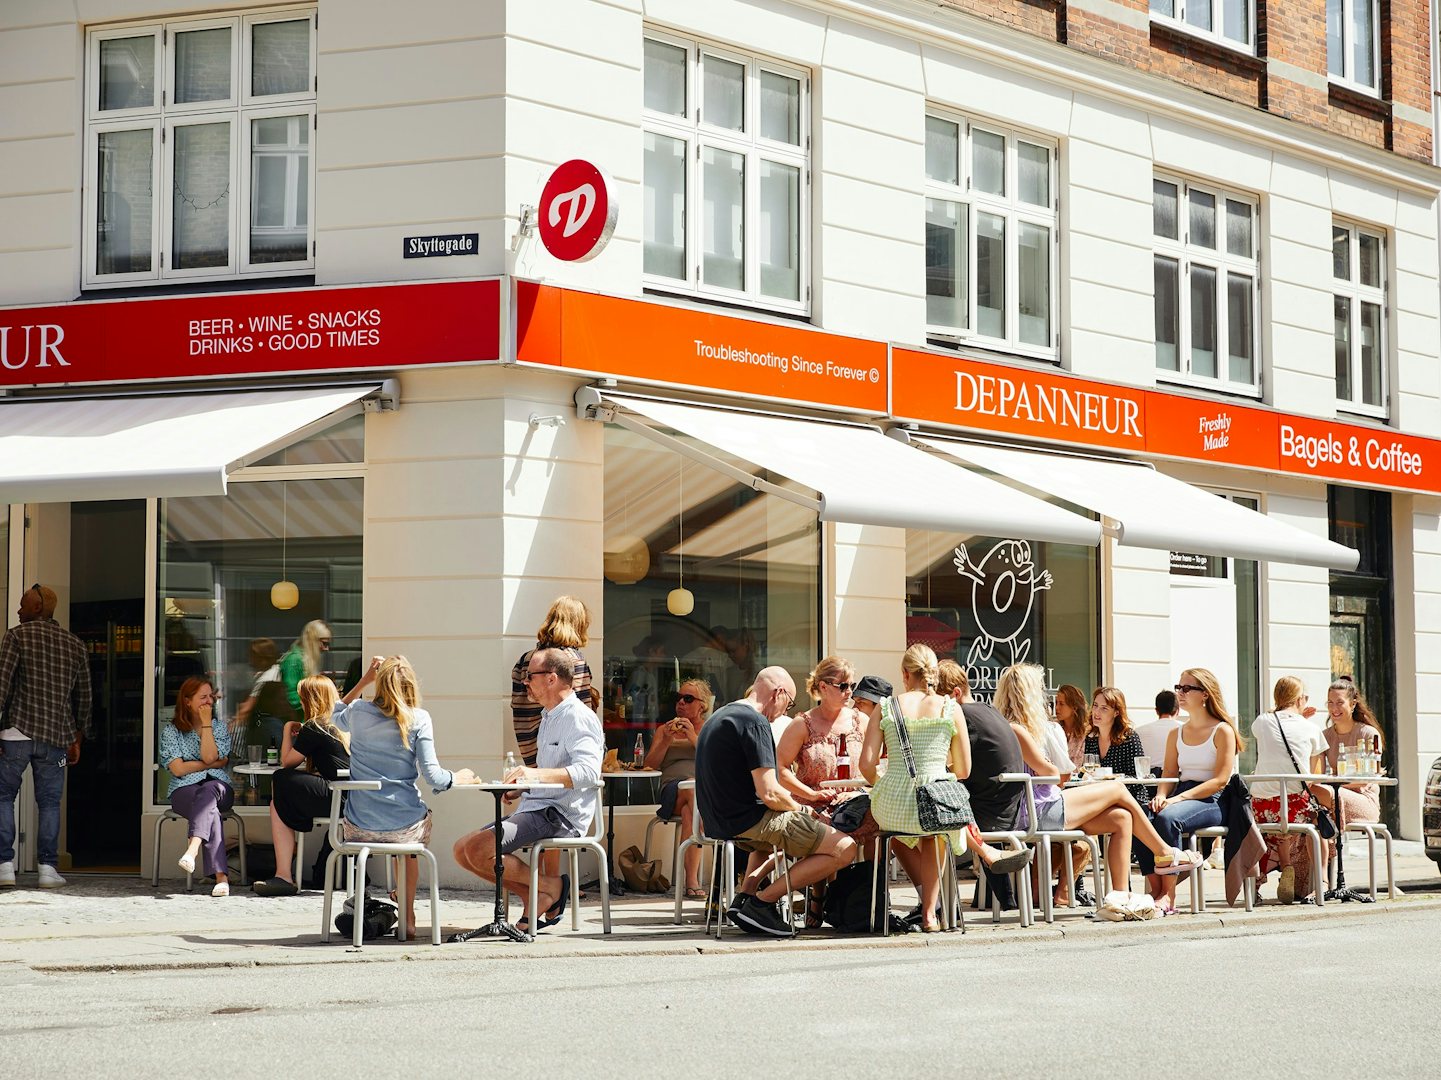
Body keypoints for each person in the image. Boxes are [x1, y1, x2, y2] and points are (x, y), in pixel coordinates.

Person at [996, 663, 1198, 907]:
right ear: (1027, 695)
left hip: (1041, 806)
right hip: (1038, 810)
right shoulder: (1017, 728)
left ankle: (1120, 897)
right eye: (1039, 691)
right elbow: (1053, 773)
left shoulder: (1011, 726)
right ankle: (1165, 851)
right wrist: (1049, 763)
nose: (1044, 698)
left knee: (1122, 817)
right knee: (1116, 789)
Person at [694, 665, 857, 937]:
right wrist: (804, 809)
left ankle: (744, 897)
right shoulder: (754, 721)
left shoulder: (720, 715)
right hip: (750, 820)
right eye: (788, 703)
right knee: (844, 848)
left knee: (773, 845)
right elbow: (770, 792)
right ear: (778, 693)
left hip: (718, 822)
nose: (785, 710)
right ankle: (762, 902)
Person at [454, 648, 601, 933]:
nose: (525, 682)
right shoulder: (549, 716)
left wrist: (533, 774)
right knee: (462, 850)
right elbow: (553, 773)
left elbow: (589, 772)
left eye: (530, 675)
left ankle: (551, 887)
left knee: (478, 849)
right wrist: (523, 787)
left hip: (559, 815)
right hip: (538, 808)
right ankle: (538, 893)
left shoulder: (578, 718)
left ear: (551, 679)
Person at [336, 656, 475, 932]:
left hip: (358, 828)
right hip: (404, 828)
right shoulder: (419, 719)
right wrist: (458, 777)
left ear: (380, 684)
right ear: (411, 685)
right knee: (408, 849)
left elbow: (335, 714)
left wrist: (364, 680)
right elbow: (433, 776)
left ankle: (403, 901)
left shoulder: (359, 712)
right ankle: (408, 915)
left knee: (404, 839)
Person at [859, 645, 966, 933]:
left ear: (905, 674)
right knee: (933, 832)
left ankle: (882, 908)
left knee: (901, 829)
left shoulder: (885, 707)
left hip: (892, 804)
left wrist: (886, 784)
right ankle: (931, 913)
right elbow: (964, 770)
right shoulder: (950, 708)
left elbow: (866, 765)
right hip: (934, 802)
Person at [251, 668, 375, 896]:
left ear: (309, 700)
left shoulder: (315, 727)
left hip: (341, 797)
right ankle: (283, 875)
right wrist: (365, 680)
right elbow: (342, 703)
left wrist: (288, 729)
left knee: (280, 781)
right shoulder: (342, 723)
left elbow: (287, 762)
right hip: (359, 800)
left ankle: (283, 876)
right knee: (278, 800)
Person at [0, 584, 92, 888]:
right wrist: (77, 736)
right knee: (50, 803)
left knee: (4, 797)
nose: (18, 610)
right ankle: (47, 869)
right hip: (56, 735)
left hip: (16, 731)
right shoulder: (75, 644)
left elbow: (2, 685)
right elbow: (85, 697)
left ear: (37, 608)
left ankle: (4, 866)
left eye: (23, 605)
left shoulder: (16, 636)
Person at [775, 656, 872, 927]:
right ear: (822, 687)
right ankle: (818, 897)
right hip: (814, 801)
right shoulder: (802, 724)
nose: (849, 692)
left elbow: (876, 763)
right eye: (842, 686)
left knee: (882, 825)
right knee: (823, 827)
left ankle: (867, 898)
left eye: (851, 685)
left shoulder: (860, 721)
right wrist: (811, 793)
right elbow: (780, 769)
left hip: (855, 799)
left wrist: (859, 789)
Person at [1142, 668, 1242, 913]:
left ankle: (1168, 895)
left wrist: (1177, 798)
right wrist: (1161, 795)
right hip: (1183, 793)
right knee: (1140, 817)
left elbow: (1220, 780)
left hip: (1213, 799)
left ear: (1205, 694)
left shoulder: (1222, 730)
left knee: (1168, 818)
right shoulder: (1176, 732)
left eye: (1187, 688)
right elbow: (1168, 773)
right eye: (1179, 687)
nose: (1180, 693)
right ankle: (1155, 889)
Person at [1249, 675, 1327, 904]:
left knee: (1267, 827)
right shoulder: (1311, 728)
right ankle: (1321, 881)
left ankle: (1260, 880)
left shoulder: (1262, 722)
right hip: (1293, 806)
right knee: (1319, 819)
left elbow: (1273, 723)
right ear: (1299, 699)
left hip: (1260, 806)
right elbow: (1315, 775)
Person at [159, 678, 235, 896]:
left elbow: (211, 756)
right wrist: (210, 764)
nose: (208, 702)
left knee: (210, 792)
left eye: (210, 696)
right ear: (187, 701)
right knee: (209, 807)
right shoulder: (172, 731)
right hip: (183, 789)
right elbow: (177, 770)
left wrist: (206, 724)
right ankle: (221, 878)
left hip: (219, 787)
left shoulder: (218, 727)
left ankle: (192, 851)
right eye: (202, 697)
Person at [642, 677, 714, 901]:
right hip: (672, 791)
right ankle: (710, 832)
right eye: (679, 698)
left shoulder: (710, 729)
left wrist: (692, 735)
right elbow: (650, 765)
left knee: (689, 811)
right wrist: (665, 741)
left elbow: (714, 761)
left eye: (688, 698)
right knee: (693, 793)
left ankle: (690, 880)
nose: (681, 702)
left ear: (702, 705)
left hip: (697, 795)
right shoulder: (665, 729)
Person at [510, 596, 593, 769]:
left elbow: (518, 709)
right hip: (561, 754)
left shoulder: (525, 660)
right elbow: (581, 707)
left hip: (529, 748)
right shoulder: (573, 659)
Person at [1312, 677, 1385, 858]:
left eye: (1339, 702)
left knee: (1320, 797)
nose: (1334, 708)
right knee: (1311, 816)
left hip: (1364, 800)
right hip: (1332, 797)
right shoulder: (1324, 736)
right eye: (1330, 703)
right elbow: (1317, 774)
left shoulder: (1369, 734)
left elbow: (1369, 778)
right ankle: (1313, 880)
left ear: (1352, 704)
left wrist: (1336, 785)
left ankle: (1321, 878)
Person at [1084, 686, 1146, 780]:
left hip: (1126, 792)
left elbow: (1138, 776)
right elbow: (1086, 772)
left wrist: (1114, 778)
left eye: (1104, 708)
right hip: (1098, 792)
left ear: (1116, 713)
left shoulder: (1129, 737)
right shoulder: (1090, 739)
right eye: (1095, 705)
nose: (1096, 712)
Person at [278, 621, 331, 729]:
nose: (326, 649)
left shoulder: (303, 660)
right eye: (324, 643)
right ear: (313, 641)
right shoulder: (295, 660)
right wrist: (318, 703)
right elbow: (292, 696)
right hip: (297, 724)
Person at [1137, 688, 1184, 762]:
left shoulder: (1138, 731)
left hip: (1148, 772)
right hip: (1178, 772)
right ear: (1178, 711)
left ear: (1156, 711)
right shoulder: (1185, 729)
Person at [1053, 684, 1089, 768]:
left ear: (1074, 707)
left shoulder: (1087, 731)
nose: (1057, 708)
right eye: (1056, 703)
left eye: (1061, 704)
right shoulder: (1054, 729)